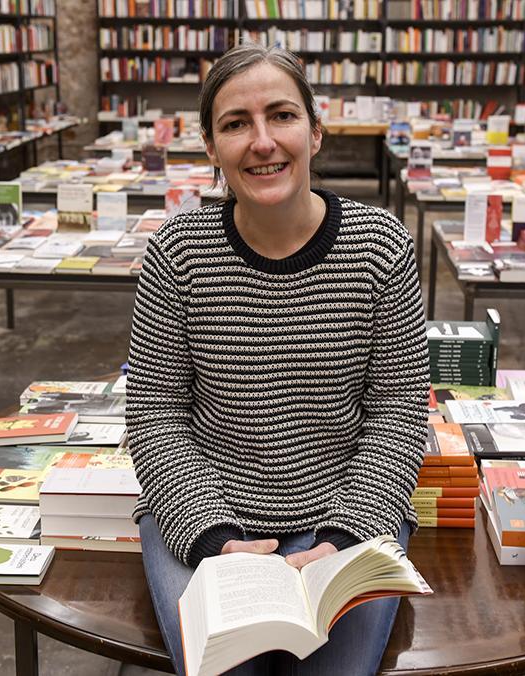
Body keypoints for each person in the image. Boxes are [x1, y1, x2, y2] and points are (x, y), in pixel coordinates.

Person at [125, 43, 430, 675]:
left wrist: (343, 537)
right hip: (204, 514)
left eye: (282, 116)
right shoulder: (178, 254)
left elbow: (398, 411)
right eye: (236, 124)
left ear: (315, 132)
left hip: (348, 513)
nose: (263, 141)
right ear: (211, 148)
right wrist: (212, 537)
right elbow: (155, 414)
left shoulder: (382, 248)